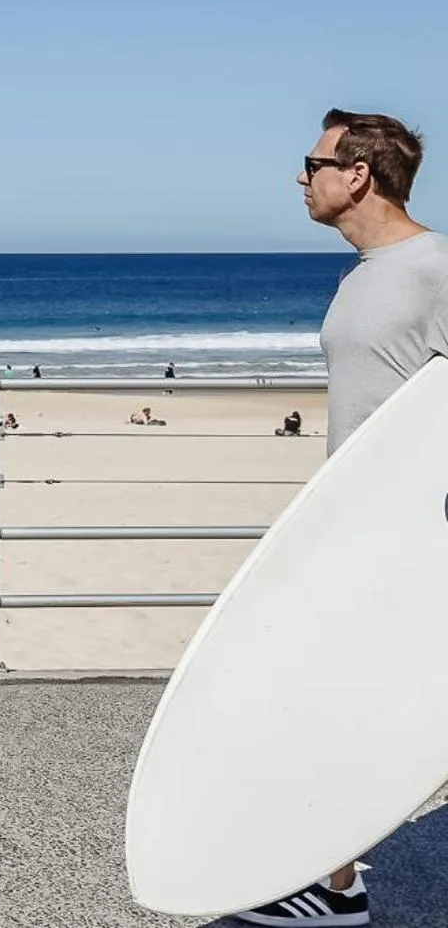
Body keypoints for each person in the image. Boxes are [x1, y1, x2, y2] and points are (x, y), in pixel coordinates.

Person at [238, 108, 447, 927]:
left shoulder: (433, 265)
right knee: (337, 701)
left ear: (358, 174)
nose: (301, 176)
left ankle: (332, 888)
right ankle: (334, 881)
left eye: (313, 161)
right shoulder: (369, 271)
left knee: (347, 705)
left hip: (408, 537)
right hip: (356, 534)